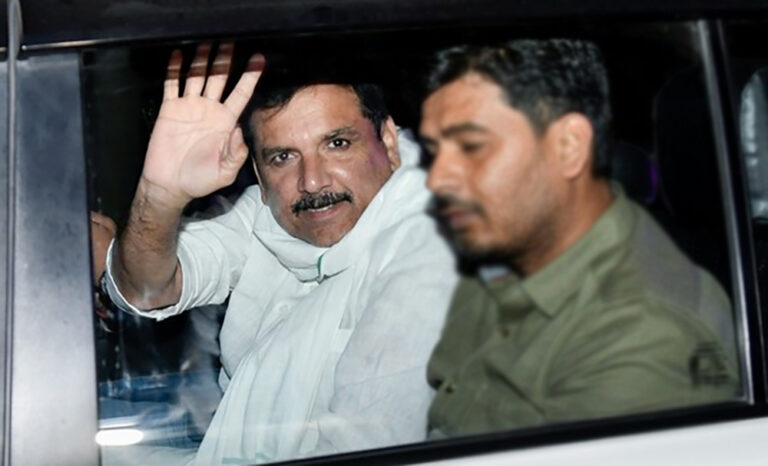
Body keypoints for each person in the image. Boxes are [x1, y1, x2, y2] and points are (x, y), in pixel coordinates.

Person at [101, 43, 456, 464]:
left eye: (337, 143)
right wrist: (161, 195)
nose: (312, 181)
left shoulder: (431, 246)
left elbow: (364, 448)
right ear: (258, 173)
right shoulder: (266, 213)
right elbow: (144, 290)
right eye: (284, 157)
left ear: (390, 142)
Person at [418, 38, 741, 438]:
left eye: (471, 146)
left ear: (569, 147)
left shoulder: (648, 334)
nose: (436, 179)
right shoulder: (502, 252)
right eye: (434, 151)